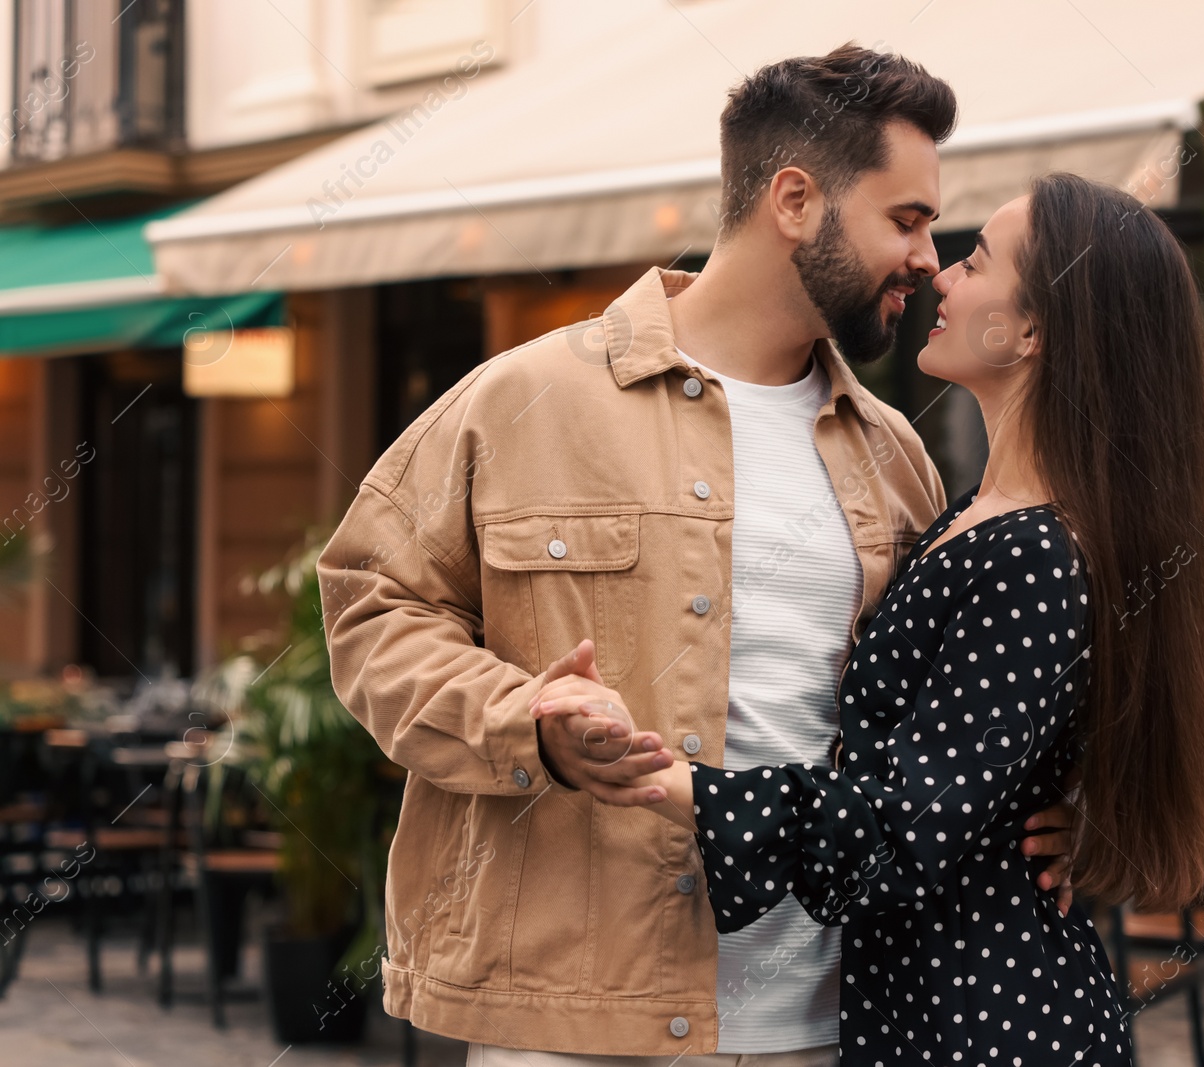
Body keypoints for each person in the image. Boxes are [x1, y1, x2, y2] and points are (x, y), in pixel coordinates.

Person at [318, 44, 1080, 1065]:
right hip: (578, 1022)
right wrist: (524, 720)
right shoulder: (521, 398)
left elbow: (947, 716)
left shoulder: (896, 455)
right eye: (905, 218)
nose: (927, 258)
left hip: (833, 1014)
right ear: (796, 200)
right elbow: (372, 606)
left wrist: (1065, 810)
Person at [531, 172, 1204, 1066]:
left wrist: (672, 783)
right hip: (939, 1004)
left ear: (1034, 329)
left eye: (978, 261)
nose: (943, 275)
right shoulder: (971, 516)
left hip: (983, 1023)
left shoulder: (1030, 550)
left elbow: (899, 836)